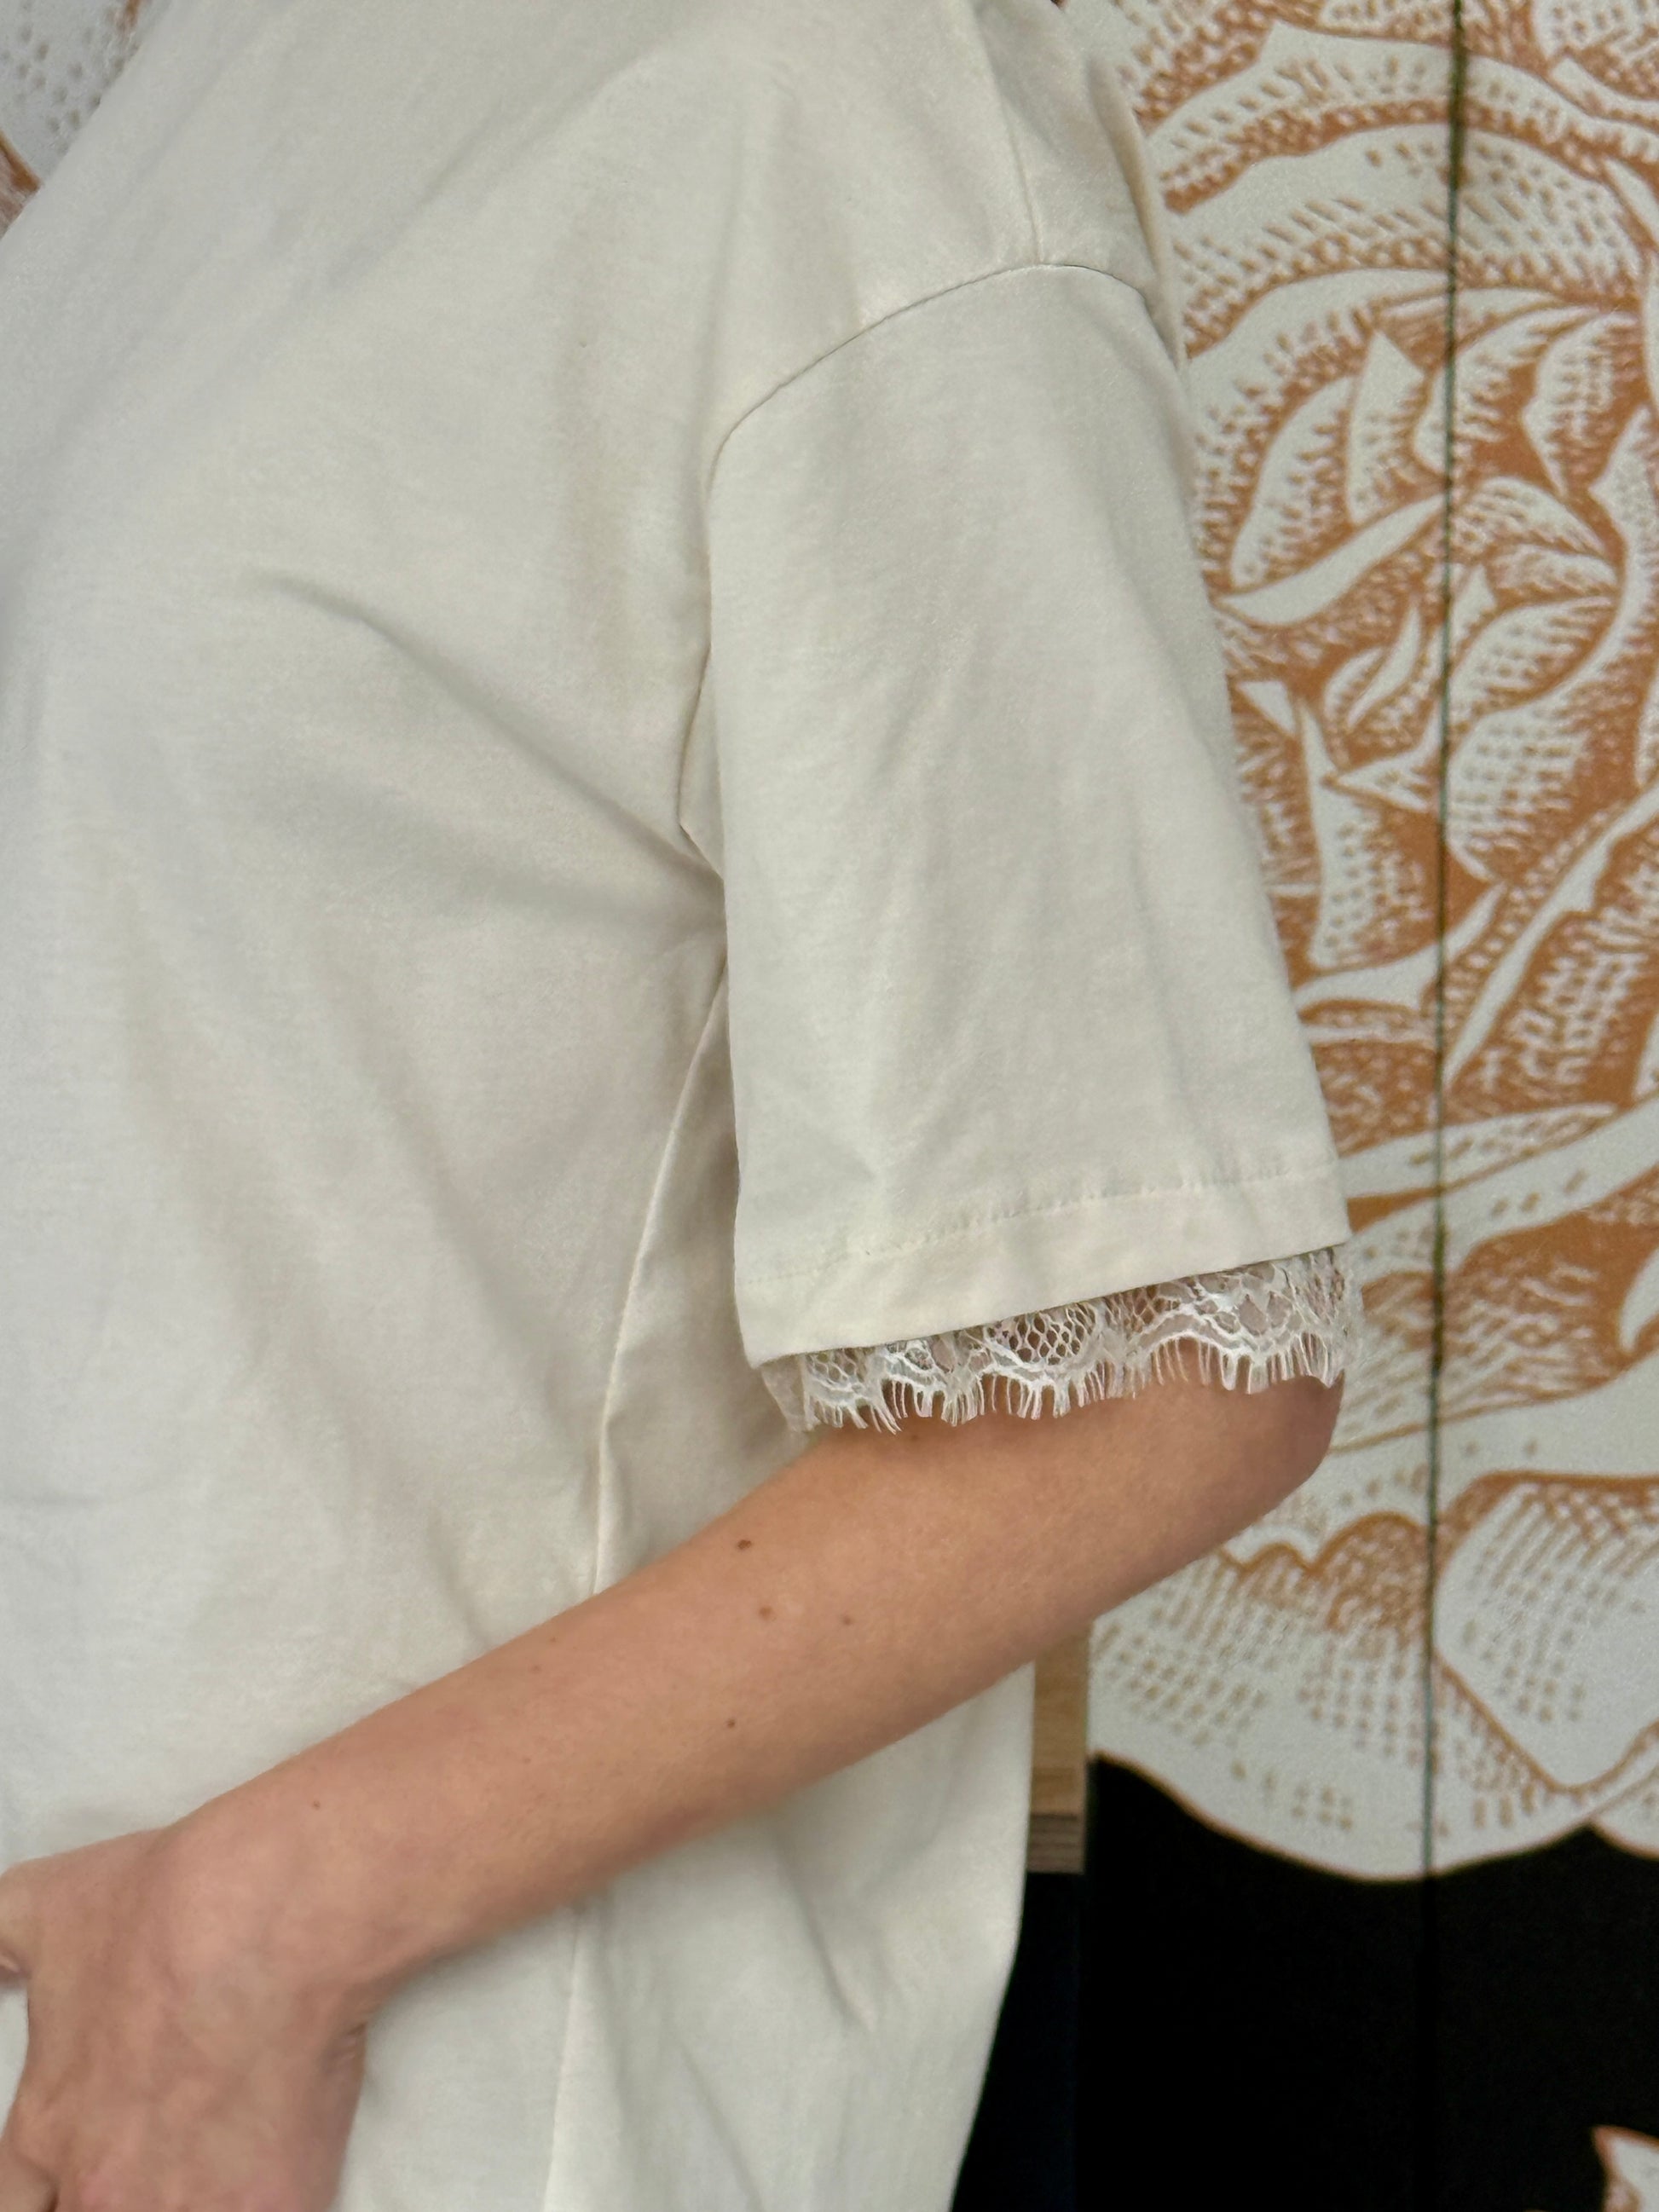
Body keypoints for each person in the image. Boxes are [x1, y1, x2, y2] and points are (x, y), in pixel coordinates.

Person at [0, 0, 1367, 2205]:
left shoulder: (826, 96)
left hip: (413, 2119)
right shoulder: (188, 81)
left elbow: (1154, 1368)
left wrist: (242, 1945)